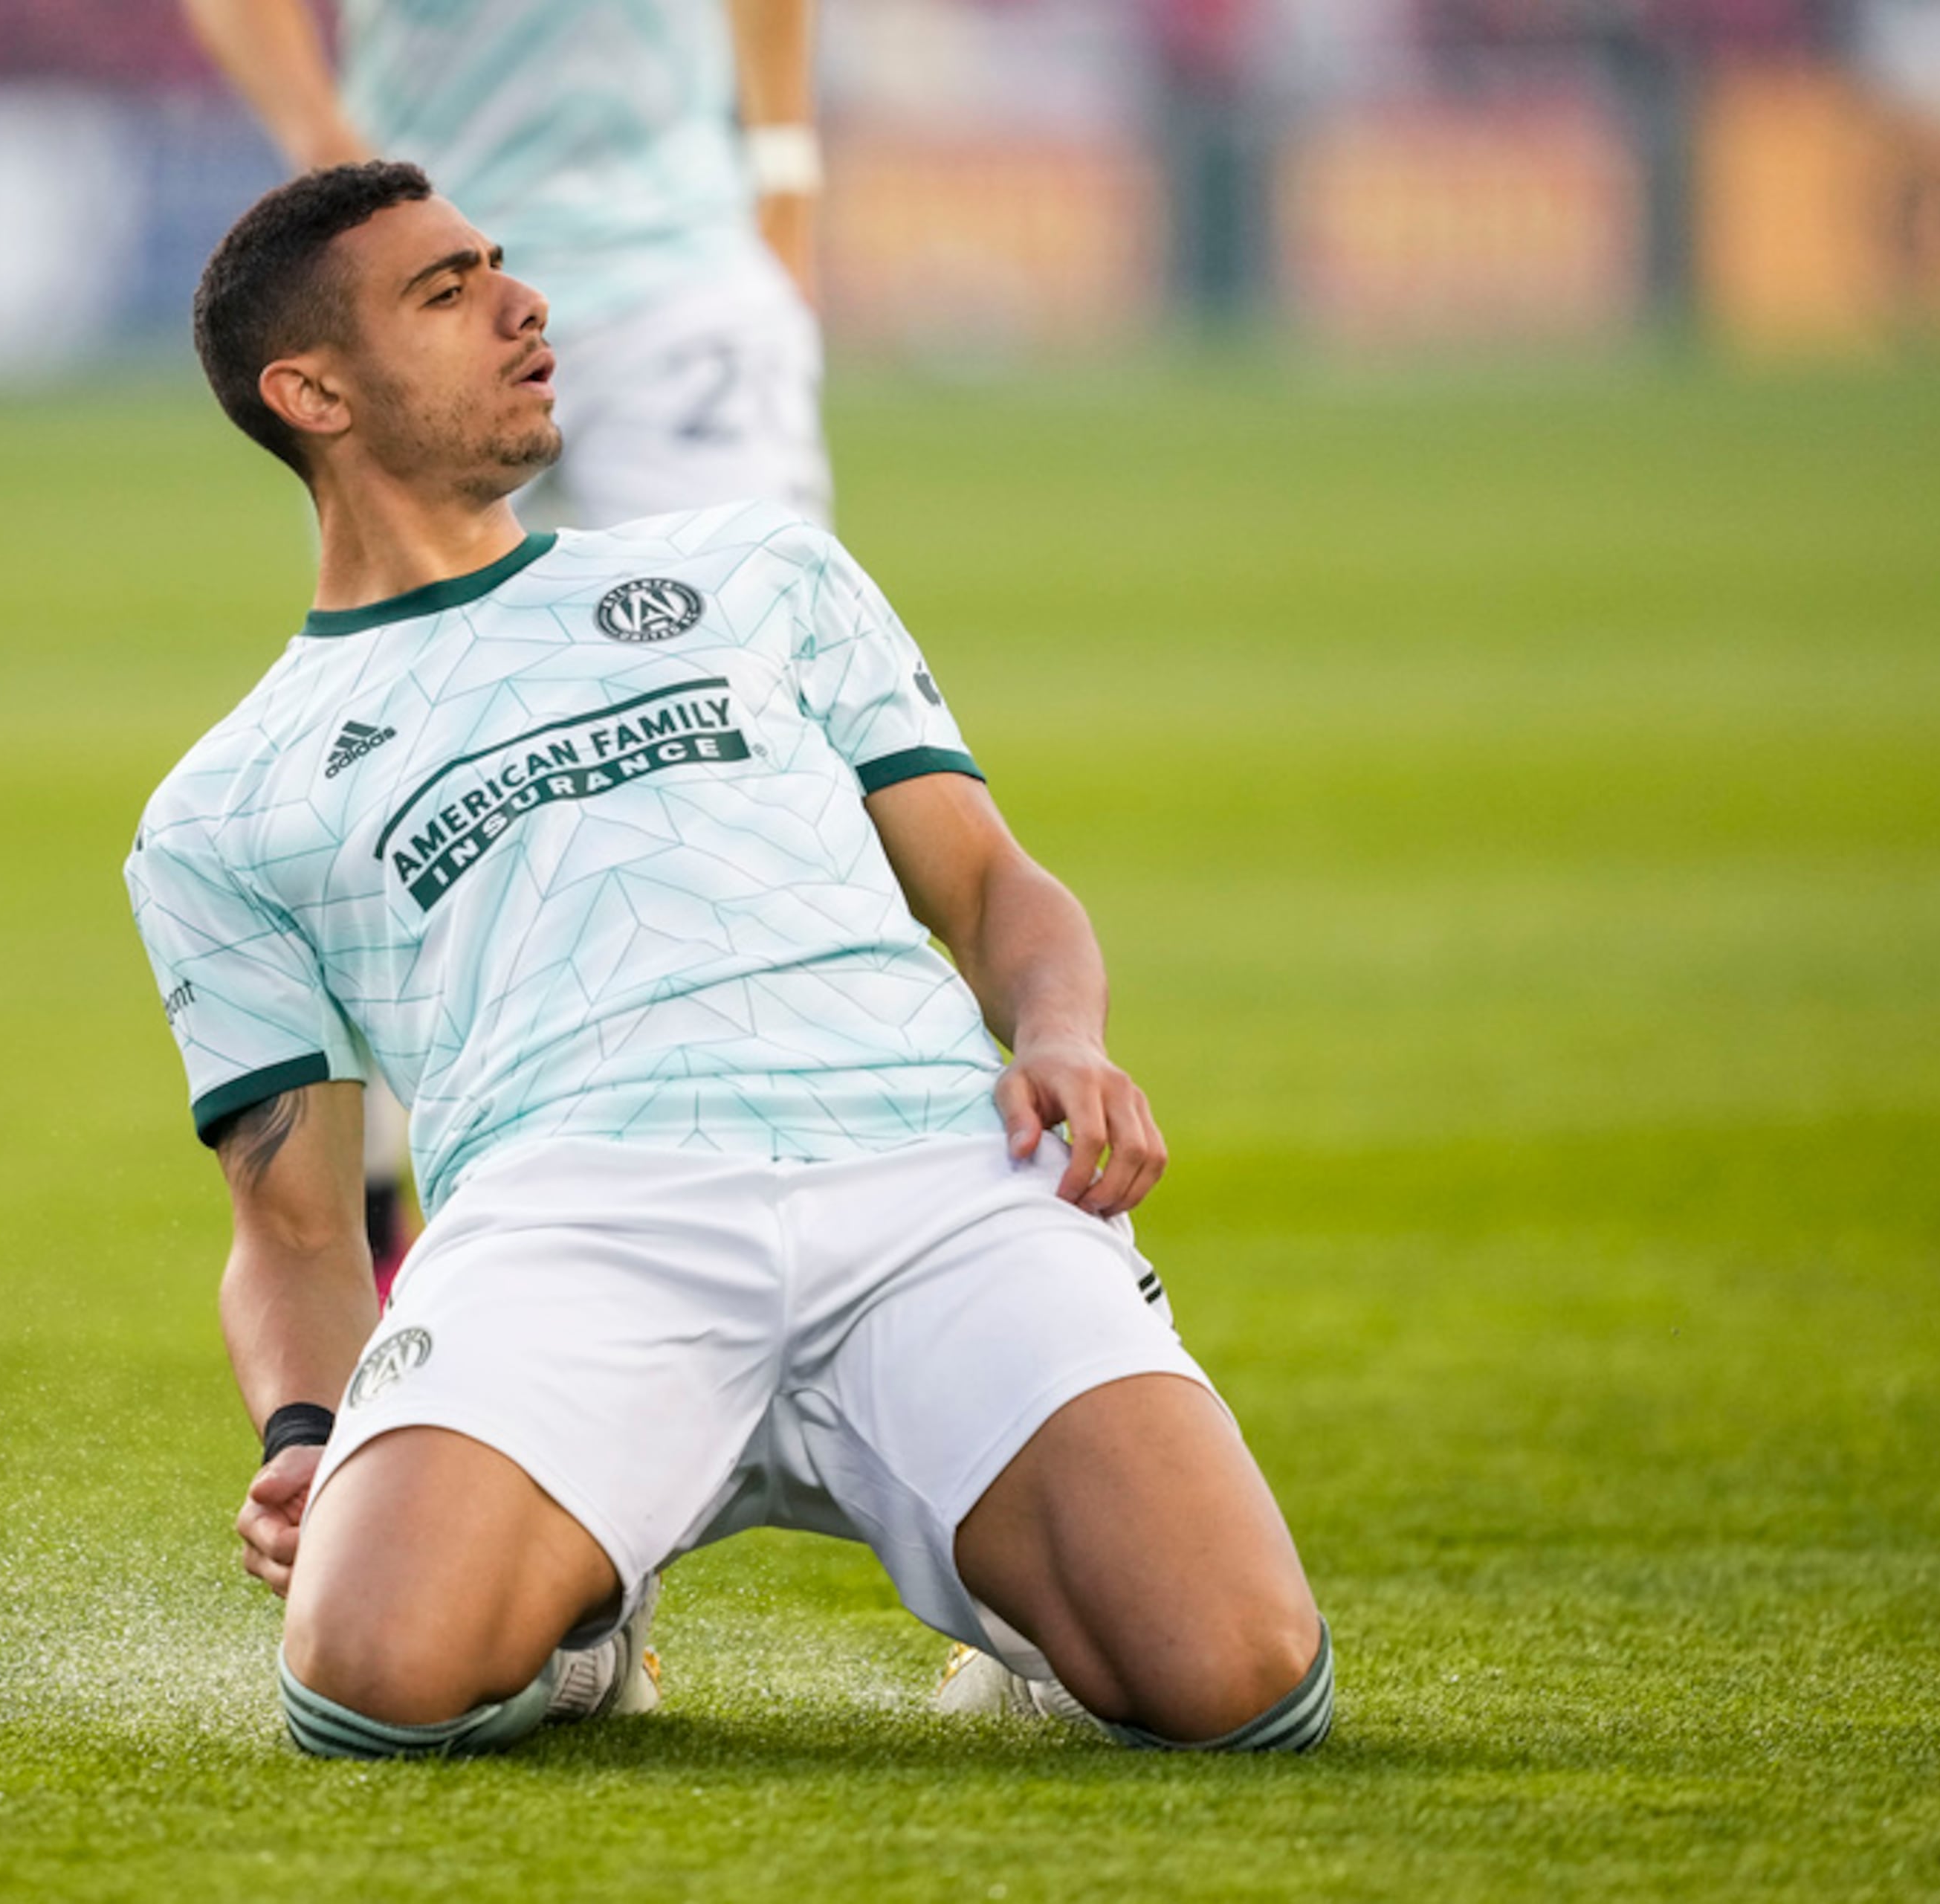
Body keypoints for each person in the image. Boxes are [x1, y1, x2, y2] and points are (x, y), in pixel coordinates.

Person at [128, 162, 1335, 1760]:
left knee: (1243, 1680)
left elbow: (990, 885)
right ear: (313, 393)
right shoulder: (222, 806)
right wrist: (306, 1431)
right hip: (576, 1218)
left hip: (930, 1169)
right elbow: (290, 1222)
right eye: (446, 291)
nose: (523, 305)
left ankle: (1037, 1615)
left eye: (500, 267)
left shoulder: (758, 568)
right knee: (369, 1674)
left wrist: (1063, 1029)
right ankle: (579, 1633)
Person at [181, 0, 830, 1282]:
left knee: (756, 702)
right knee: (414, 730)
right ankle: (394, 1213)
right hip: (418, 294)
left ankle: (803, 1159)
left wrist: (787, 175)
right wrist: (321, 142)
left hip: (679, 281)